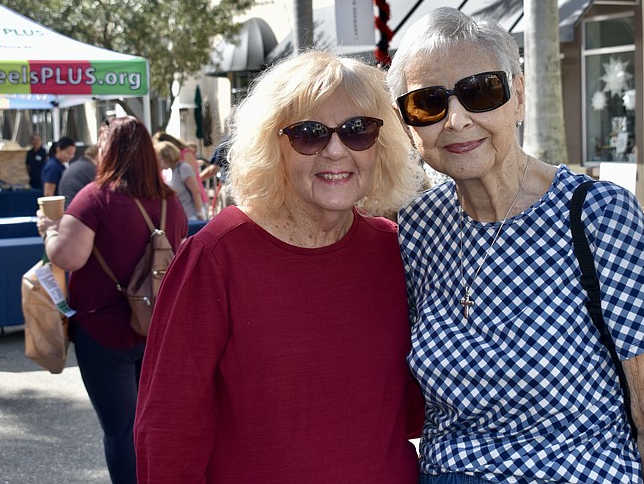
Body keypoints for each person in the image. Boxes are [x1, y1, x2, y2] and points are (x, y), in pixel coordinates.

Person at [386, 7, 644, 483]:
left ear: (520, 96)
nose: (456, 120)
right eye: (428, 103)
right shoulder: (420, 226)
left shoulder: (599, 215)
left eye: (481, 91)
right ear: (406, 123)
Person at [135, 50, 426, 483]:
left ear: (379, 144)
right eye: (309, 134)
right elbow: (168, 429)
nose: (335, 151)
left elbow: (413, 409)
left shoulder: (394, 249)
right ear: (272, 145)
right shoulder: (216, 256)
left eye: (357, 131)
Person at [37, 117, 188, 484]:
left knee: (120, 430)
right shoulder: (171, 203)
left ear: (108, 152)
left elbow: (68, 257)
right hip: (155, 328)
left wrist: (49, 230)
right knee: (148, 426)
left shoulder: (96, 198)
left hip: (103, 329)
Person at [155, 141, 206, 219]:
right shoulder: (169, 171)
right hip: (179, 216)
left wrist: (200, 214)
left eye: (160, 159)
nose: (159, 162)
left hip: (191, 216)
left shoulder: (183, 167)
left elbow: (196, 192)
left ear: (167, 157)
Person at [58, 143, 98, 208]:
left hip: (66, 208)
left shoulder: (75, 165)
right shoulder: (91, 169)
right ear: (97, 156)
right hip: (77, 210)